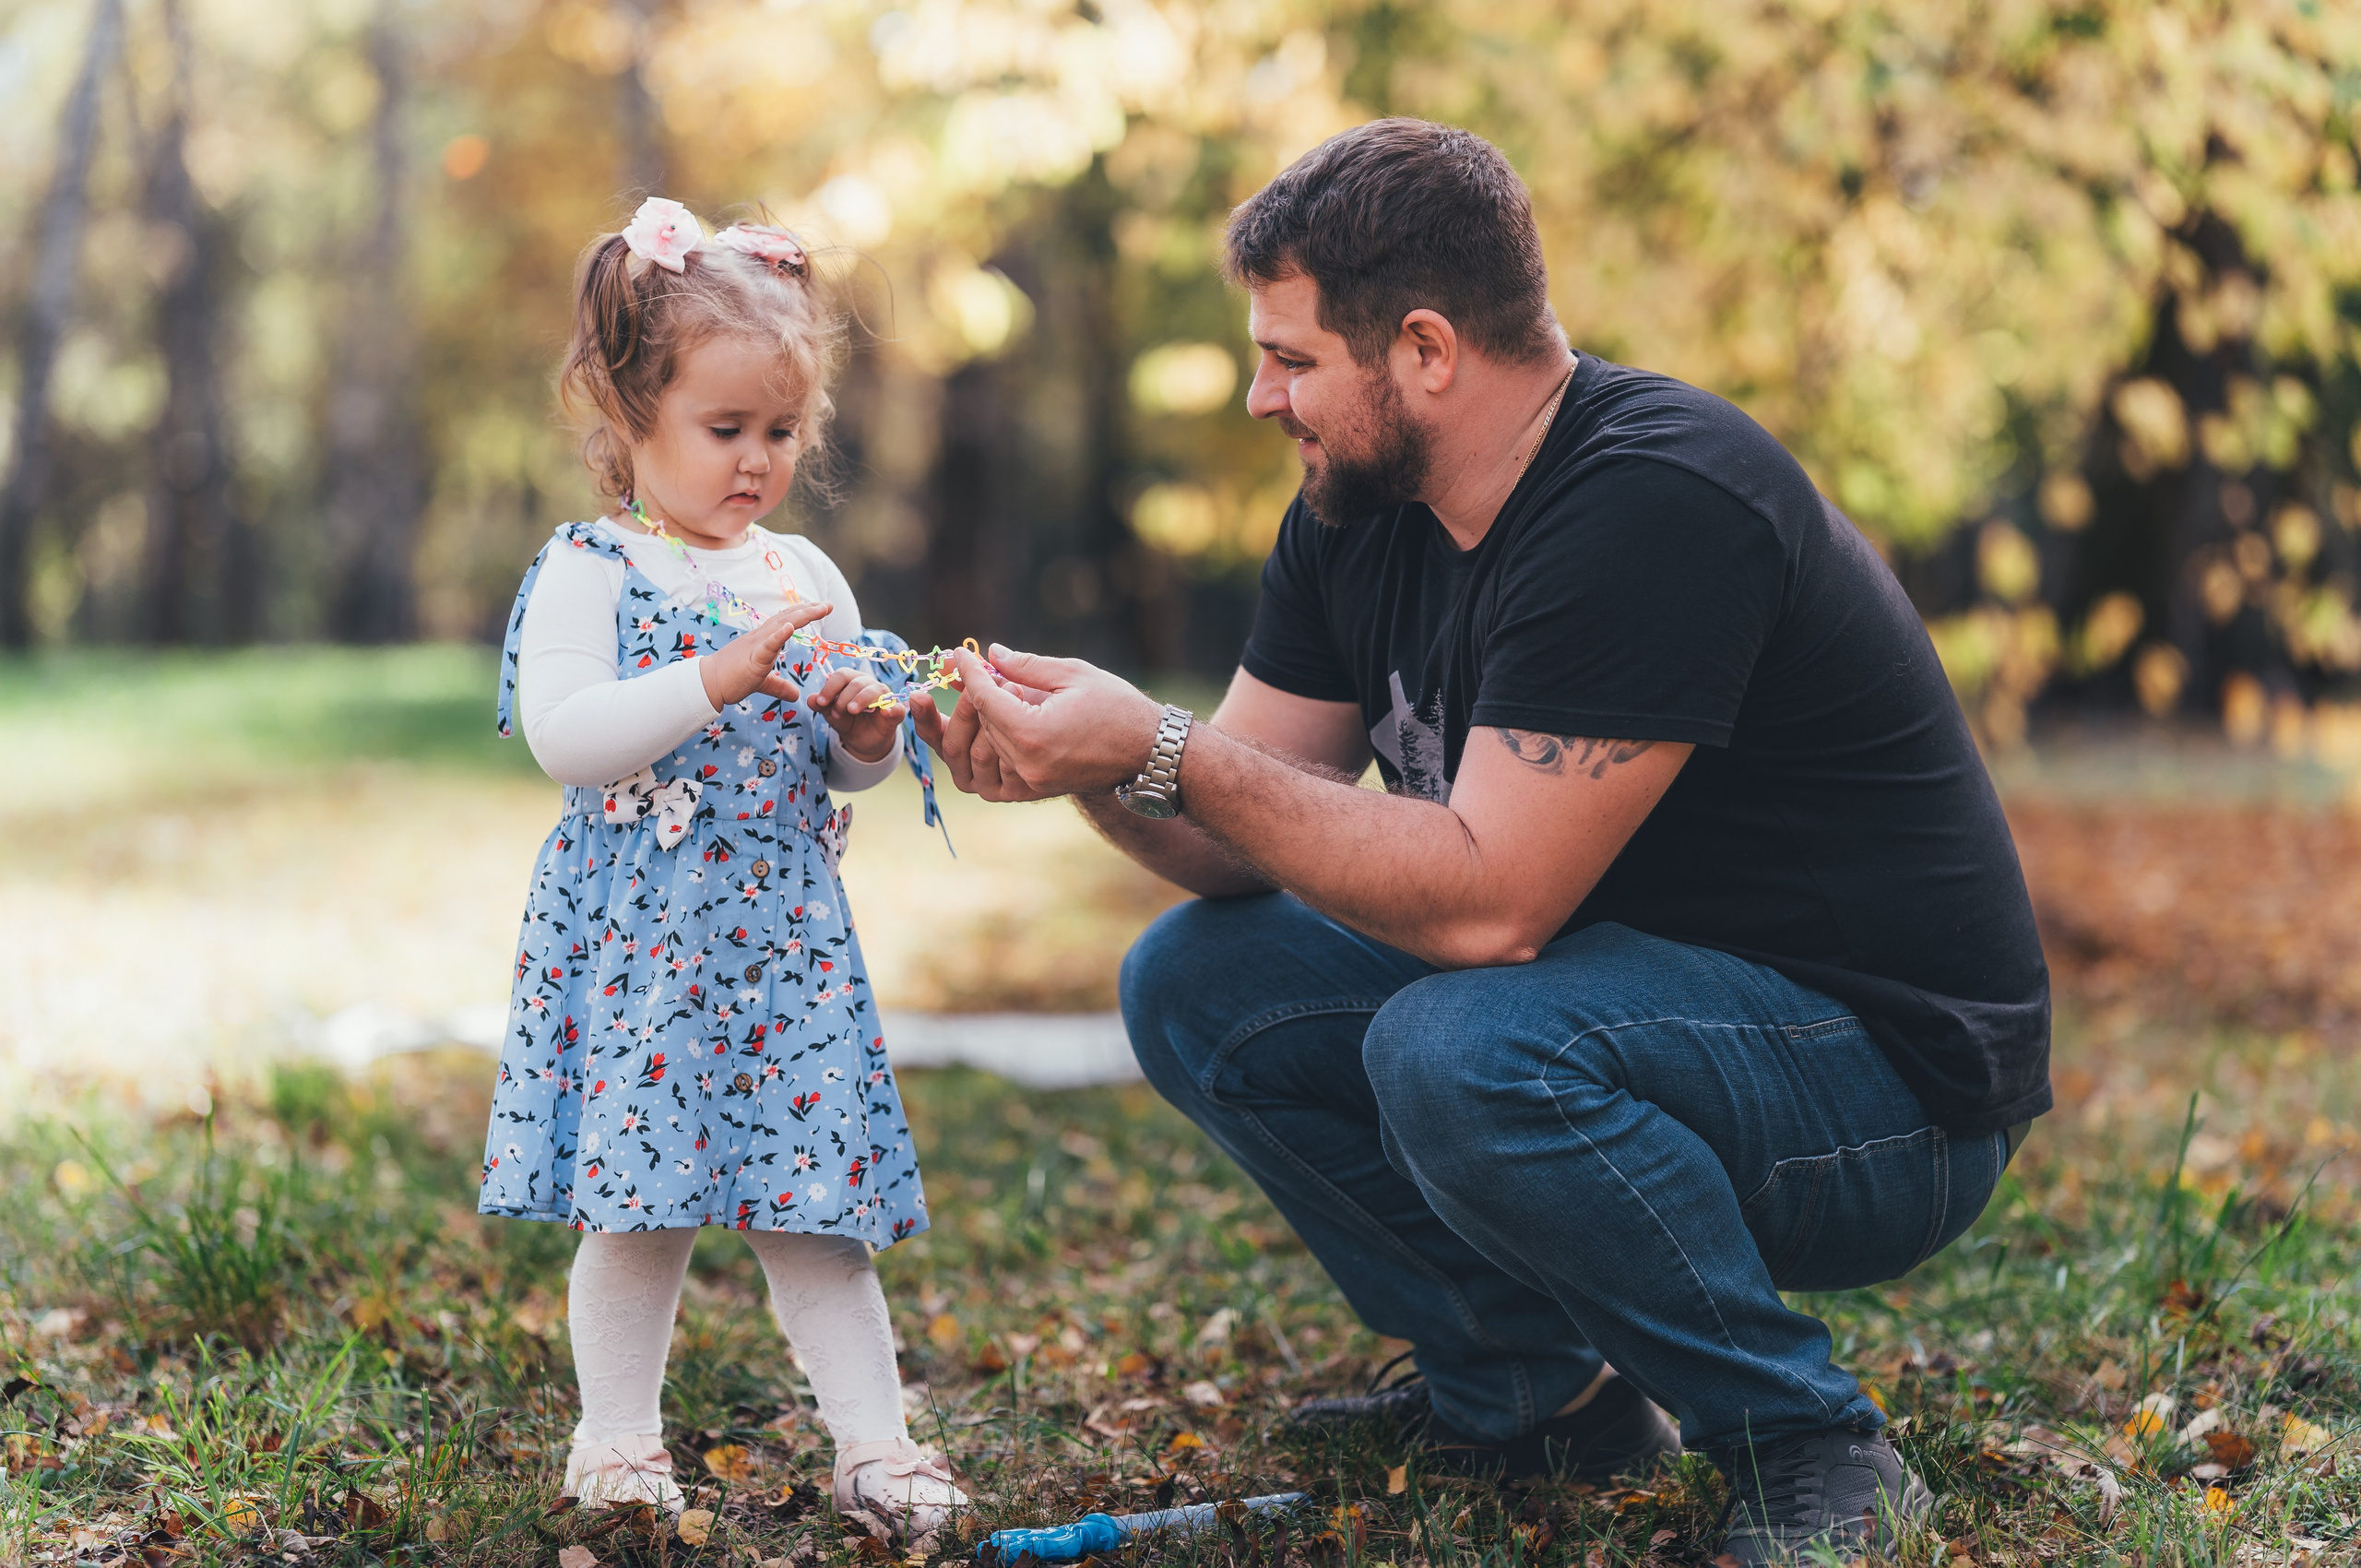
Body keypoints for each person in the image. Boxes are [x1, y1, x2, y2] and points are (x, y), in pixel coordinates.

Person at [910, 121, 2049, 1565]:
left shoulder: (1655, 497)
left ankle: (1811, 1446)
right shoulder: (1358, 512)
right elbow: (1232, 842)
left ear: (1429, 351)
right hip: (1631, 1014)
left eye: (1293, 358)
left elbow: (1489, 912)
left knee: (1458, 1043)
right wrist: (1065, 759)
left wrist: (1155, 742)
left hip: (1884, 1091)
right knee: (1196, 980)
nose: (1264, 398)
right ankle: (1535, 1396)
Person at [477, 197, 963, 1536]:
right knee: (638, 1212)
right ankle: (619, 1442)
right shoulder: (591, 566)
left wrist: (864, 733)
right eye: (725, 430)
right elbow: (569, 739)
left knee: (817, 1212)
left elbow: (839, 766)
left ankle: (876, 1441)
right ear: (631, 414)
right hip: (646, 940)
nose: (758, 462)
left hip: (784, 947)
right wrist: (717, 673)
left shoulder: (800, 570)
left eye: (780, 433)